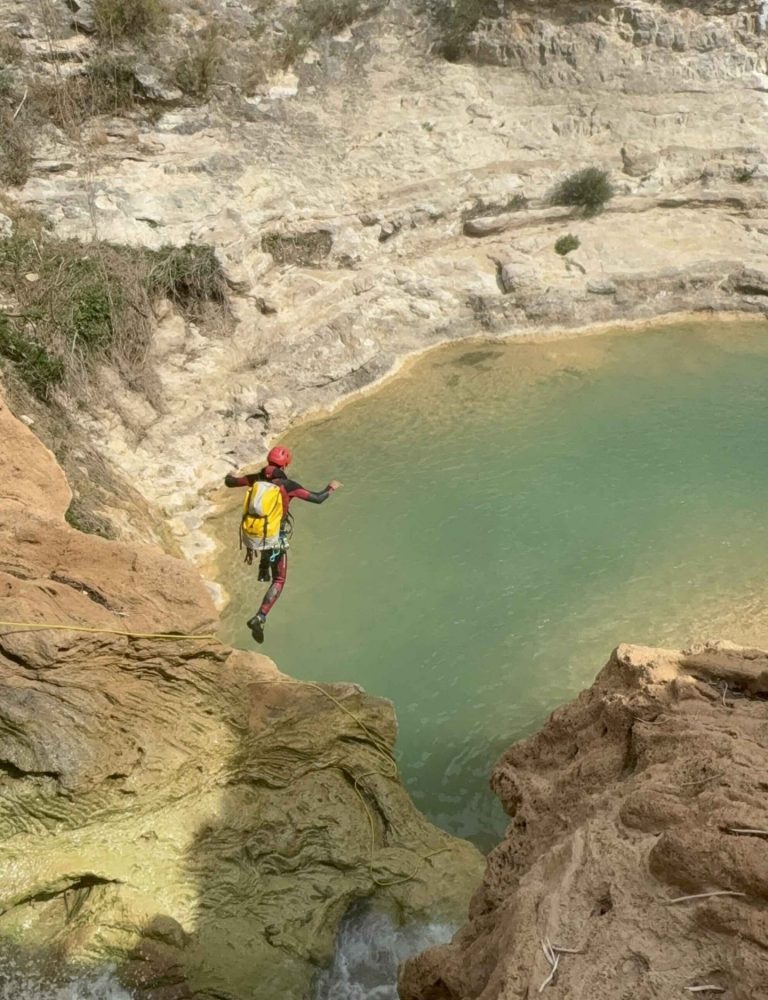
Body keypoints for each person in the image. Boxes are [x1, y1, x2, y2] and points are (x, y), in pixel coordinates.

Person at [224, 444, 341, 644]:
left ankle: (262, 569)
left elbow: (231, 482)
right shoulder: (288, 486)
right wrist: (331, 488)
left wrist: (229, 474)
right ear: (285, 465)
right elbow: (318, 498)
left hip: (252, 534)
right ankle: (260, 617)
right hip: (273, 536)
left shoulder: (256, 478)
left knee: (266, 544)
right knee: (279, 579)